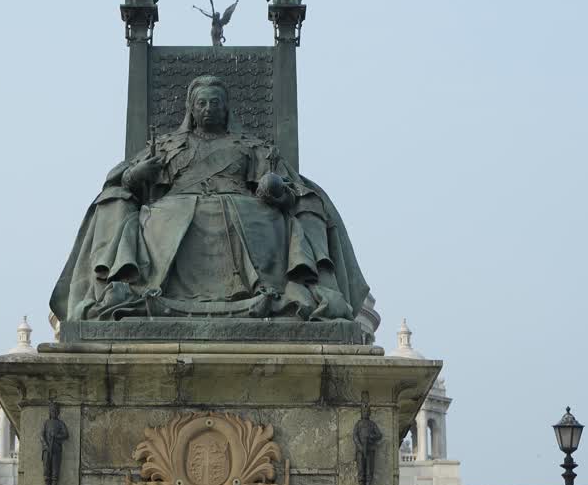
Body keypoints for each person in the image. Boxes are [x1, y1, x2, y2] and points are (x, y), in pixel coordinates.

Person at [51, 75, 369, 323]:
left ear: (226, 108)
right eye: (202, 103)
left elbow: (289, 192)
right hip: (173, 207)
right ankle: (141, 287)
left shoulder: (251, 146)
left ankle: (264, 289)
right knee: (150, 215)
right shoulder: (166, 145)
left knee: (263, 217)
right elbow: (125, 182)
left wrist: (274, 190)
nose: (208, 109)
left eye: (214, 103)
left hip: (244, 205)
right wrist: (138, 175)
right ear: (192, 108)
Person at [353, 396, 382, 485]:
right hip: (360, 451)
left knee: (369, 470)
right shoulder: (358, 424)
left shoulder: (372, 424)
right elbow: (355, 436)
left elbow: (379, 435)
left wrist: (370, 437)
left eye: (366, 412)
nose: (365, 413)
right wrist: (360, 446)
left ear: (369, 413)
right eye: (363, 412)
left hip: (370, 450)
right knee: (361, 470)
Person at [40, 401, 68, 485]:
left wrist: (56, 436)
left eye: (56, 411)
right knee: (47, 468)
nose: (54, 413)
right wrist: (45, 445)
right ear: (50, 412)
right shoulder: (46, 423)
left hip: (56, 449)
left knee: (55, 469)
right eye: (52, 411)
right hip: (47, 450)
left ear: (58, 412)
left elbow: (66, 434)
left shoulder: (60, 423)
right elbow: (41, 435)